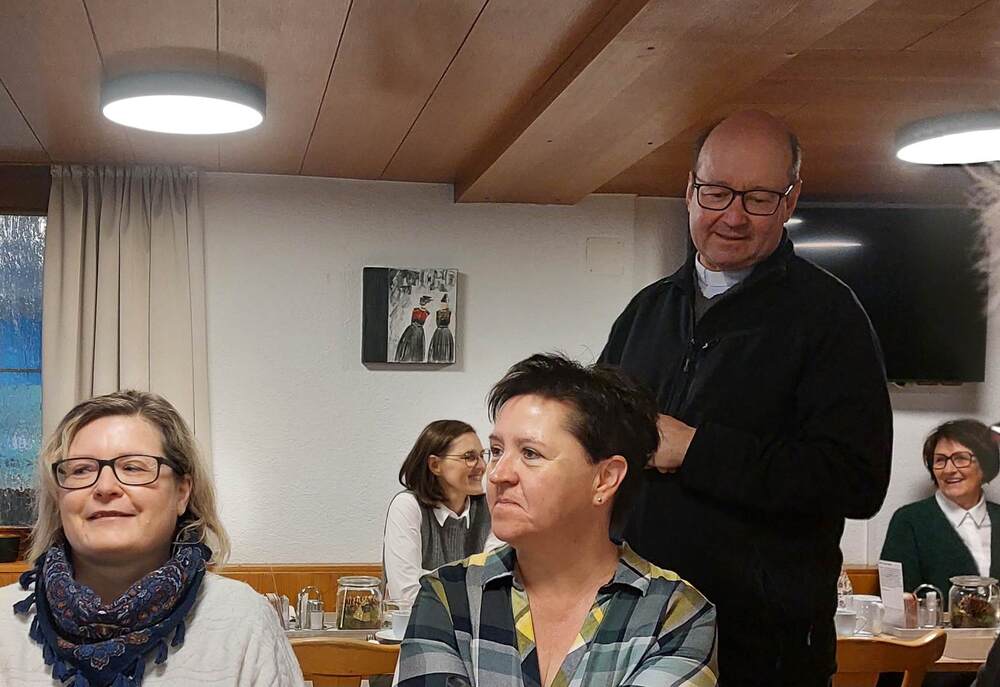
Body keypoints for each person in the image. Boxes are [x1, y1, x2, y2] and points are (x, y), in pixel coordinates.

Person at [598, 110, 893, 685]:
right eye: (716, 193)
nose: (732, 216)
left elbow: (857, 481)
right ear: (689, 190)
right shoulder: (646, 311)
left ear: (790, 200)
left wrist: (697, 450)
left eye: (758, 198)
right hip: (634, 632)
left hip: (763, 650)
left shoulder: (830, 317)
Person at [395, 354, 717, 687]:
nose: (498, 474)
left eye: (530, 453)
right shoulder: (448, 595)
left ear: (605, 479)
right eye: (497, 450)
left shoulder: (674, 613)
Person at [0, 390, 303, 686]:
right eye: (81, 470)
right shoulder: (5, 621)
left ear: (182, 492)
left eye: (133, 467)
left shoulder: (242, 621)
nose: (105, 487)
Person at [383, 420, 501, 607]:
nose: (482, 466)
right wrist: (468, 586)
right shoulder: (408, 506)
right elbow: (405, 595)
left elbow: (493, 586)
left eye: (482, 455)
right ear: (435, 465)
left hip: (477, 624)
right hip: (415, 623)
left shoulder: (491, 507)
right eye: (469, 457)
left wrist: (430, 581)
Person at [881, 419, 1000, 596]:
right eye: (940, 460)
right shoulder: (909, 520)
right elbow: (894, 597)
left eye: (961, 459)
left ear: (985, 464)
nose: (949, 469)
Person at [395, 295, 433, 362]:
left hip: (419, 331)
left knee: (417, 349)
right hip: (412, 330)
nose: (423, 304)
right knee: (407, 346)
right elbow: (413, 320)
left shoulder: (426, 312)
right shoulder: (416, 310)